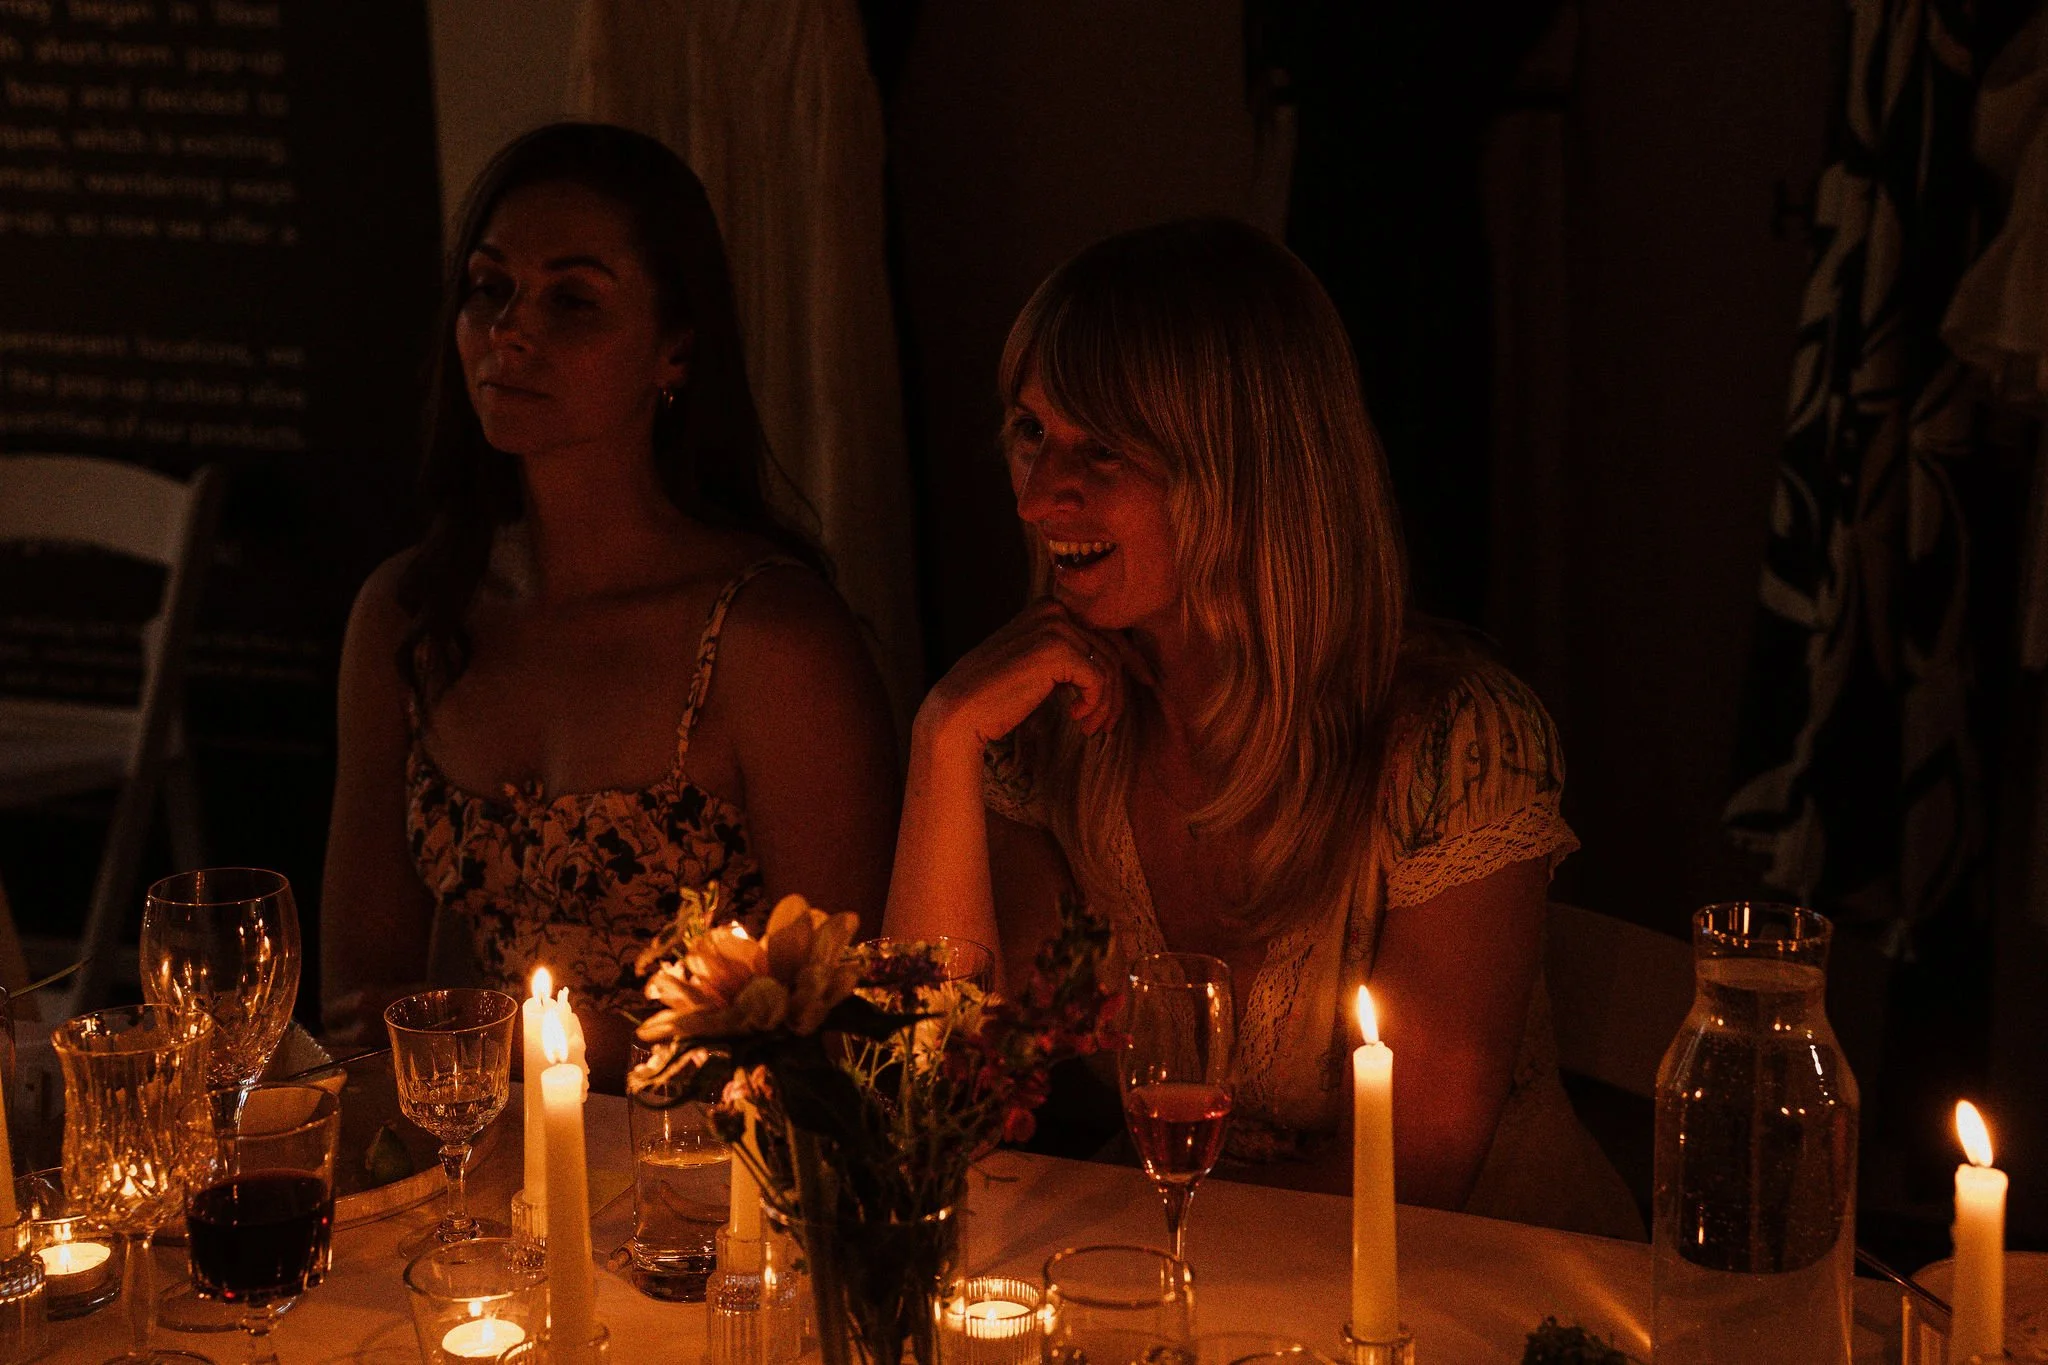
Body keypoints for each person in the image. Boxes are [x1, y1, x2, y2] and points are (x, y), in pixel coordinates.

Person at [885, 218, 1640, 1237]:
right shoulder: (1049, 732)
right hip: (1183, 1269)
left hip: (1477, 1282)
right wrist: (942, 739)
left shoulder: (1456, 744)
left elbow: (1416, 1169)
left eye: (1100, 448)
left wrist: (1135, 1245)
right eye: (1030, 433)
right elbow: (937, 1102)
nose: (1037, 498)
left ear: (1240, 467)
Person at [321, 123, 898, 1088]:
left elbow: (845, 1029)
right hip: (484, 1155)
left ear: (676, 351)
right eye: (489, 287)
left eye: (573, 300)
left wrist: (513, 1036)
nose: (510, 329)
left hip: (718, 1161)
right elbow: (359, 1010)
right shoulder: (412, 615)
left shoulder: (769, 640)